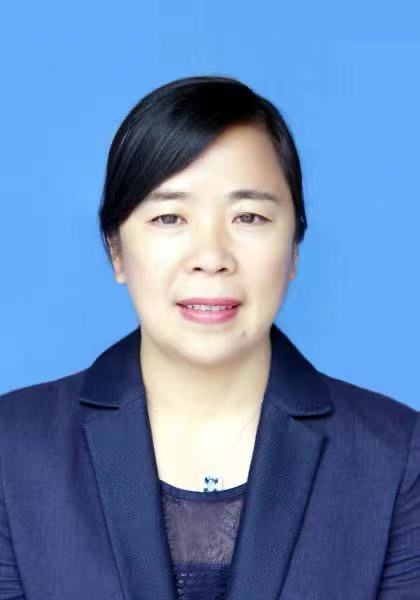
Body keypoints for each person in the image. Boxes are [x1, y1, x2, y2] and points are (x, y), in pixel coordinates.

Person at [0, 75, 419, 600]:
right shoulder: (12, 448)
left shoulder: (396, 456)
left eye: (249, 216)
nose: (211, 257)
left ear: (293, 248)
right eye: (169, 217)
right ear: (117, 251)